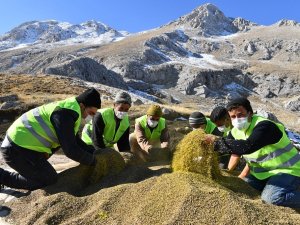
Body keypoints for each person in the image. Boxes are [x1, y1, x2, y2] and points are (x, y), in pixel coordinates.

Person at [0, 88, 101, 190]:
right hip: (15, 148)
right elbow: (70, 150)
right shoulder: (65, 114)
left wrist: (93, 152)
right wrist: (94, 162)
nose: (90, 117)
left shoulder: (72, 110)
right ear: (82, 106)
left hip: (25, 147)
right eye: (91, 113)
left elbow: (75, 141)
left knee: (43, 174)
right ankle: (2, 177)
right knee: (48, 179)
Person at [211, 97, 300, 208]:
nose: (237, 119)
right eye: (233, 116)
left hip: (287, 171)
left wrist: (214, 142)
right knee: (240, 188)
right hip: (261, 174)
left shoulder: (264, 126)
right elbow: (230, 149)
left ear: (250, 113)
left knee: (272, 199)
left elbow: (247, 146)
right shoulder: (235, 131)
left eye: (241, 115)